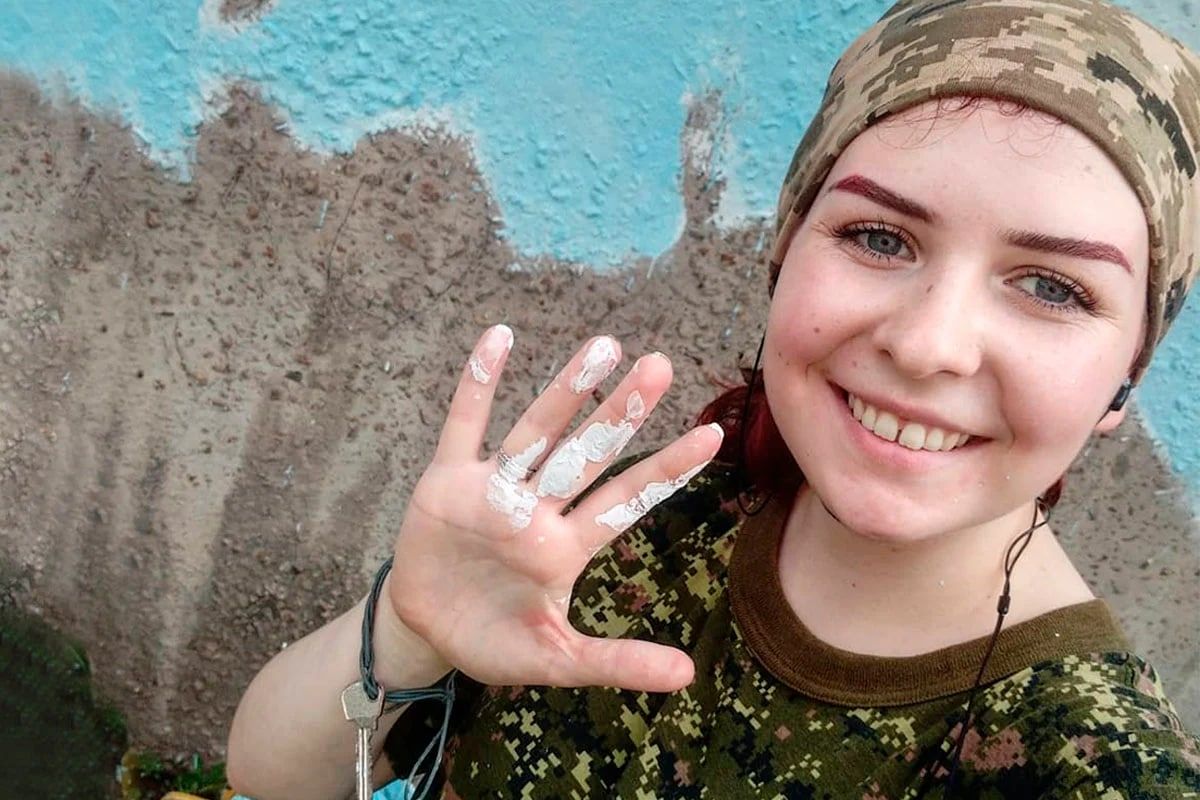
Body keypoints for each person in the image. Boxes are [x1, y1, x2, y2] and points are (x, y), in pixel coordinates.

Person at [225, 0, 1200, 797]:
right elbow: (272, 777)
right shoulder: (637, 526)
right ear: (784, 254)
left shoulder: (1100, 768)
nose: (928, 344)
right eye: (879, 238)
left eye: (1053, 288)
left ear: (1127, 376)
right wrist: (407, 628)